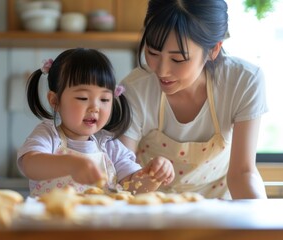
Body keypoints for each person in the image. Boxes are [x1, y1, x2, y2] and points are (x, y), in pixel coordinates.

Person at [119, 0, 268, 199]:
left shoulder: (244, 80)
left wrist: (261, 226)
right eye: (153, 53)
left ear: (214, 50)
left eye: (178, 59)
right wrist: (150, 178)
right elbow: (122, 178)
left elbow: (242, 173)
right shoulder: (135, 89)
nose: (161, 70)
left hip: (219, 208)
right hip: (151, 209)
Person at [17, 48, 175, 197]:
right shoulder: (49, 135)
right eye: (83, 98)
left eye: (104, 99)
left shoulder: (110, 145)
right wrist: (72, 165)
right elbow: (30, 165)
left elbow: (134, 188)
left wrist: (155, 175)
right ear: (55, 100)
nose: (95, 107)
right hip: (53, 224)